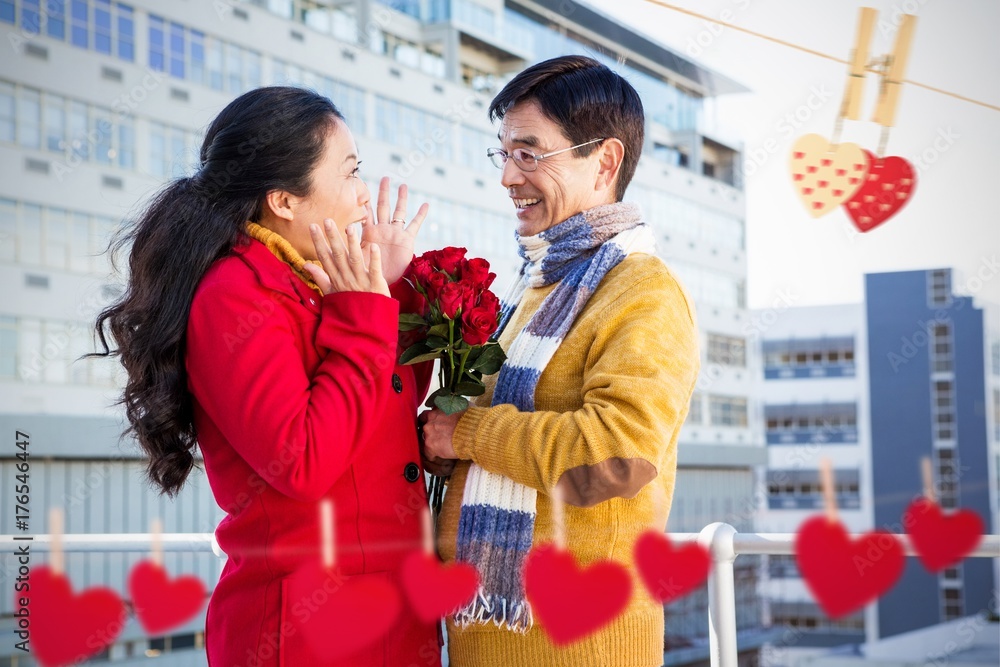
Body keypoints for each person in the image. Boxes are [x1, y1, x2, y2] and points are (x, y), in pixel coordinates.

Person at [94, 86, 440, 666]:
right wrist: (363, 313)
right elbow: (301, 460)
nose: (362, 197)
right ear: (283, 198)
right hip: (306, 628)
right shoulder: (236, 295)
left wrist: (388, 286)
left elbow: (381, 413)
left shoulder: (307, 277)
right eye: (351, 174)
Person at [419, 55, 701, 666]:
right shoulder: (536, 287)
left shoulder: (642, 291)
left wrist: (467, 432)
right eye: (505, 154)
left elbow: (619, 457)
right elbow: (493, 457)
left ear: (604, 162)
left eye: (530, 153)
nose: (508, 178)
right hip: (488, 637)